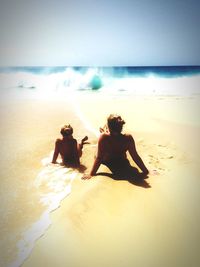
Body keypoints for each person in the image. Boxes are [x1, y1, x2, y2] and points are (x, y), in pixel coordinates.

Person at [82, 114, 149, 179]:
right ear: (121, 127)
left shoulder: (104, 138)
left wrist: (91, 173)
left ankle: (105, 130)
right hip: (121, 160)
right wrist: (146, 171)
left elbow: (99, 158)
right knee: (108, 136)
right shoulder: (128, 138)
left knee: (102, 139)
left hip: (106, 160)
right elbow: (135, 156)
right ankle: (107, 130)